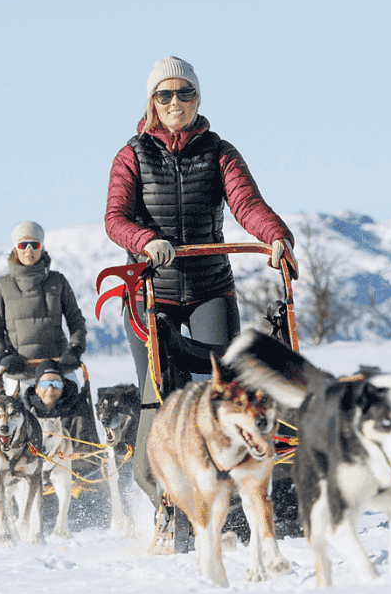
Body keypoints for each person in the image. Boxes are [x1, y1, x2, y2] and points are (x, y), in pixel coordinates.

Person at [104, 55, 294, 523]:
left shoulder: (220, 151)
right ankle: (163, 494)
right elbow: (115, 218)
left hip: (209, 285)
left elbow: (247, 203)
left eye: (184, 93)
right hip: (153, 291)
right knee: (161, 391)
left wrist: (274, 236)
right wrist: (147, 241)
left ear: (197, 99)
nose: (174, 102)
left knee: (224, 385)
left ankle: (234, 479)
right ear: (151, 101)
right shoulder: (132, 154)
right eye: (164, 94)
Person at [0, 220, 88, 394]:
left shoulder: (58, 281)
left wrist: (75, 349)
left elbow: (76, 321)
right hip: (19, 372)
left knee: (78, 408)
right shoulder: (2, 286)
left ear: (41, 247)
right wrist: (3, 356)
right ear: (15, 248)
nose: (29, 250)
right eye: (23, 245)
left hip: (58, 368)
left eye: (34, 244)